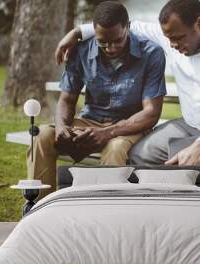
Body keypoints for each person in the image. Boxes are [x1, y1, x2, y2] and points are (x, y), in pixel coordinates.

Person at [55, 0, 200, 196]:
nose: (172, 46)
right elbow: (130, 27)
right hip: (191, 125)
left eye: (177, 39)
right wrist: (77, 32)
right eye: (168, 39)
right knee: (139, 154)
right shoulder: (173, 33)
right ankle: (151, 213)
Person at [28, 1, 166, 198]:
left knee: (115, 148)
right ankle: (39, 206)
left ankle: (105, 211)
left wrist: (106, 132)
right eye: (102, 42)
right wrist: (61, 127)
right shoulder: (81, 50)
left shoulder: (152, 53)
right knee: (41, 137)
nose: (110, 48)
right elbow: (67, 99)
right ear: (94, 31)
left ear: (128, 26)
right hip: (90, 120)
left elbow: (151, 113)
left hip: (128, 126)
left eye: (117, 41)